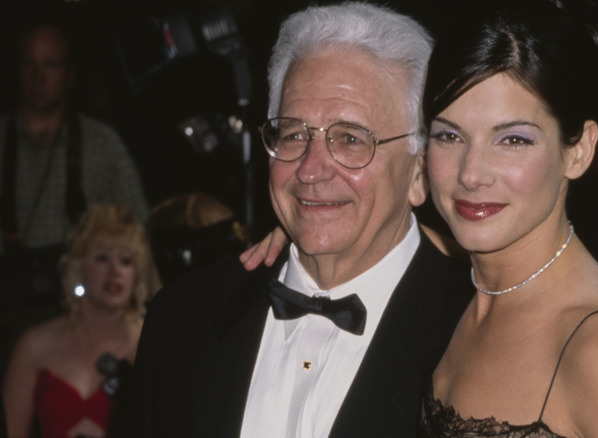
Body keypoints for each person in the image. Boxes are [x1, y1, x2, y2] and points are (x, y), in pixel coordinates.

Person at [244, 1, 598, 436]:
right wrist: (311, 218)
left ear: (578, 150)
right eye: (449, 135)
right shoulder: (460, 290)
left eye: (513, 140)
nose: (471, 174)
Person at [116, 3, 472, 437]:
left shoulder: (478, 331)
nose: (310, 169)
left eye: (350, 139)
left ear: (419, 172)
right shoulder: (181, 318)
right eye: (293, 133)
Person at [0, 17, 149, 316]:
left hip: (83, 310)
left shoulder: (102, 144)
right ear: (17, 71)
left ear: (70, 75)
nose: (39, 76)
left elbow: (137, 231)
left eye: (51, 65)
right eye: (30, 64)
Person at [2, 204, 159, 438]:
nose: (115, 270)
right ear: (77, 267)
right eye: (102, 258)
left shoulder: (152, 341)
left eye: (126, 261)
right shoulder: (34, 344)